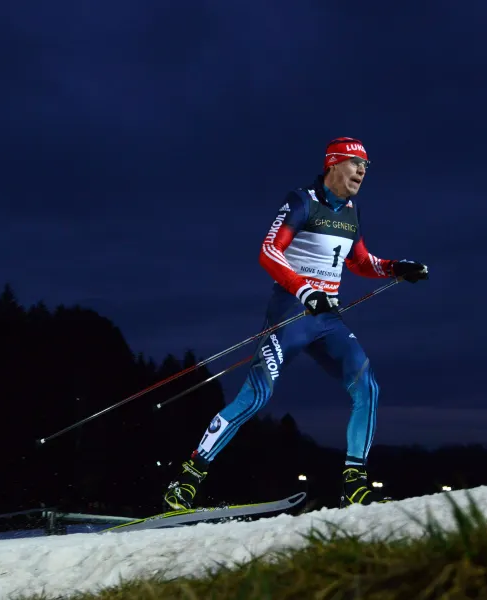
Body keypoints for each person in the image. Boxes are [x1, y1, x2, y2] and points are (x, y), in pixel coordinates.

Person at [162, 137, 429, 510]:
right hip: (292, 314)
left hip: (327, 320)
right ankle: (188, 478)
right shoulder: (302, 201)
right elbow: (269, 251)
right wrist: (305, 290)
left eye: (367, 167)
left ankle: (354, 483)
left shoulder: (351, 211)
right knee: (256, 397)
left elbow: (358, 261)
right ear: (334, 164)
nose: (362, 172)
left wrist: (394, 268)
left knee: (367, 387)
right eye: (356, 164)